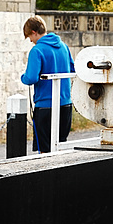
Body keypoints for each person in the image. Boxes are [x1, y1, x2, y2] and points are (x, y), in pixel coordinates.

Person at [20, 15, 75, 153]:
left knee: (44, 151)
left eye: (29, 37)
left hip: (45, 106)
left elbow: (31, 78)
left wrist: (23, 78)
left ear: (34, 32)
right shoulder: (64, 46)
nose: (31, 41)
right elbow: (72, 69)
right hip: (65, 104)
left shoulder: (37, 50)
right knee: (61, 147)